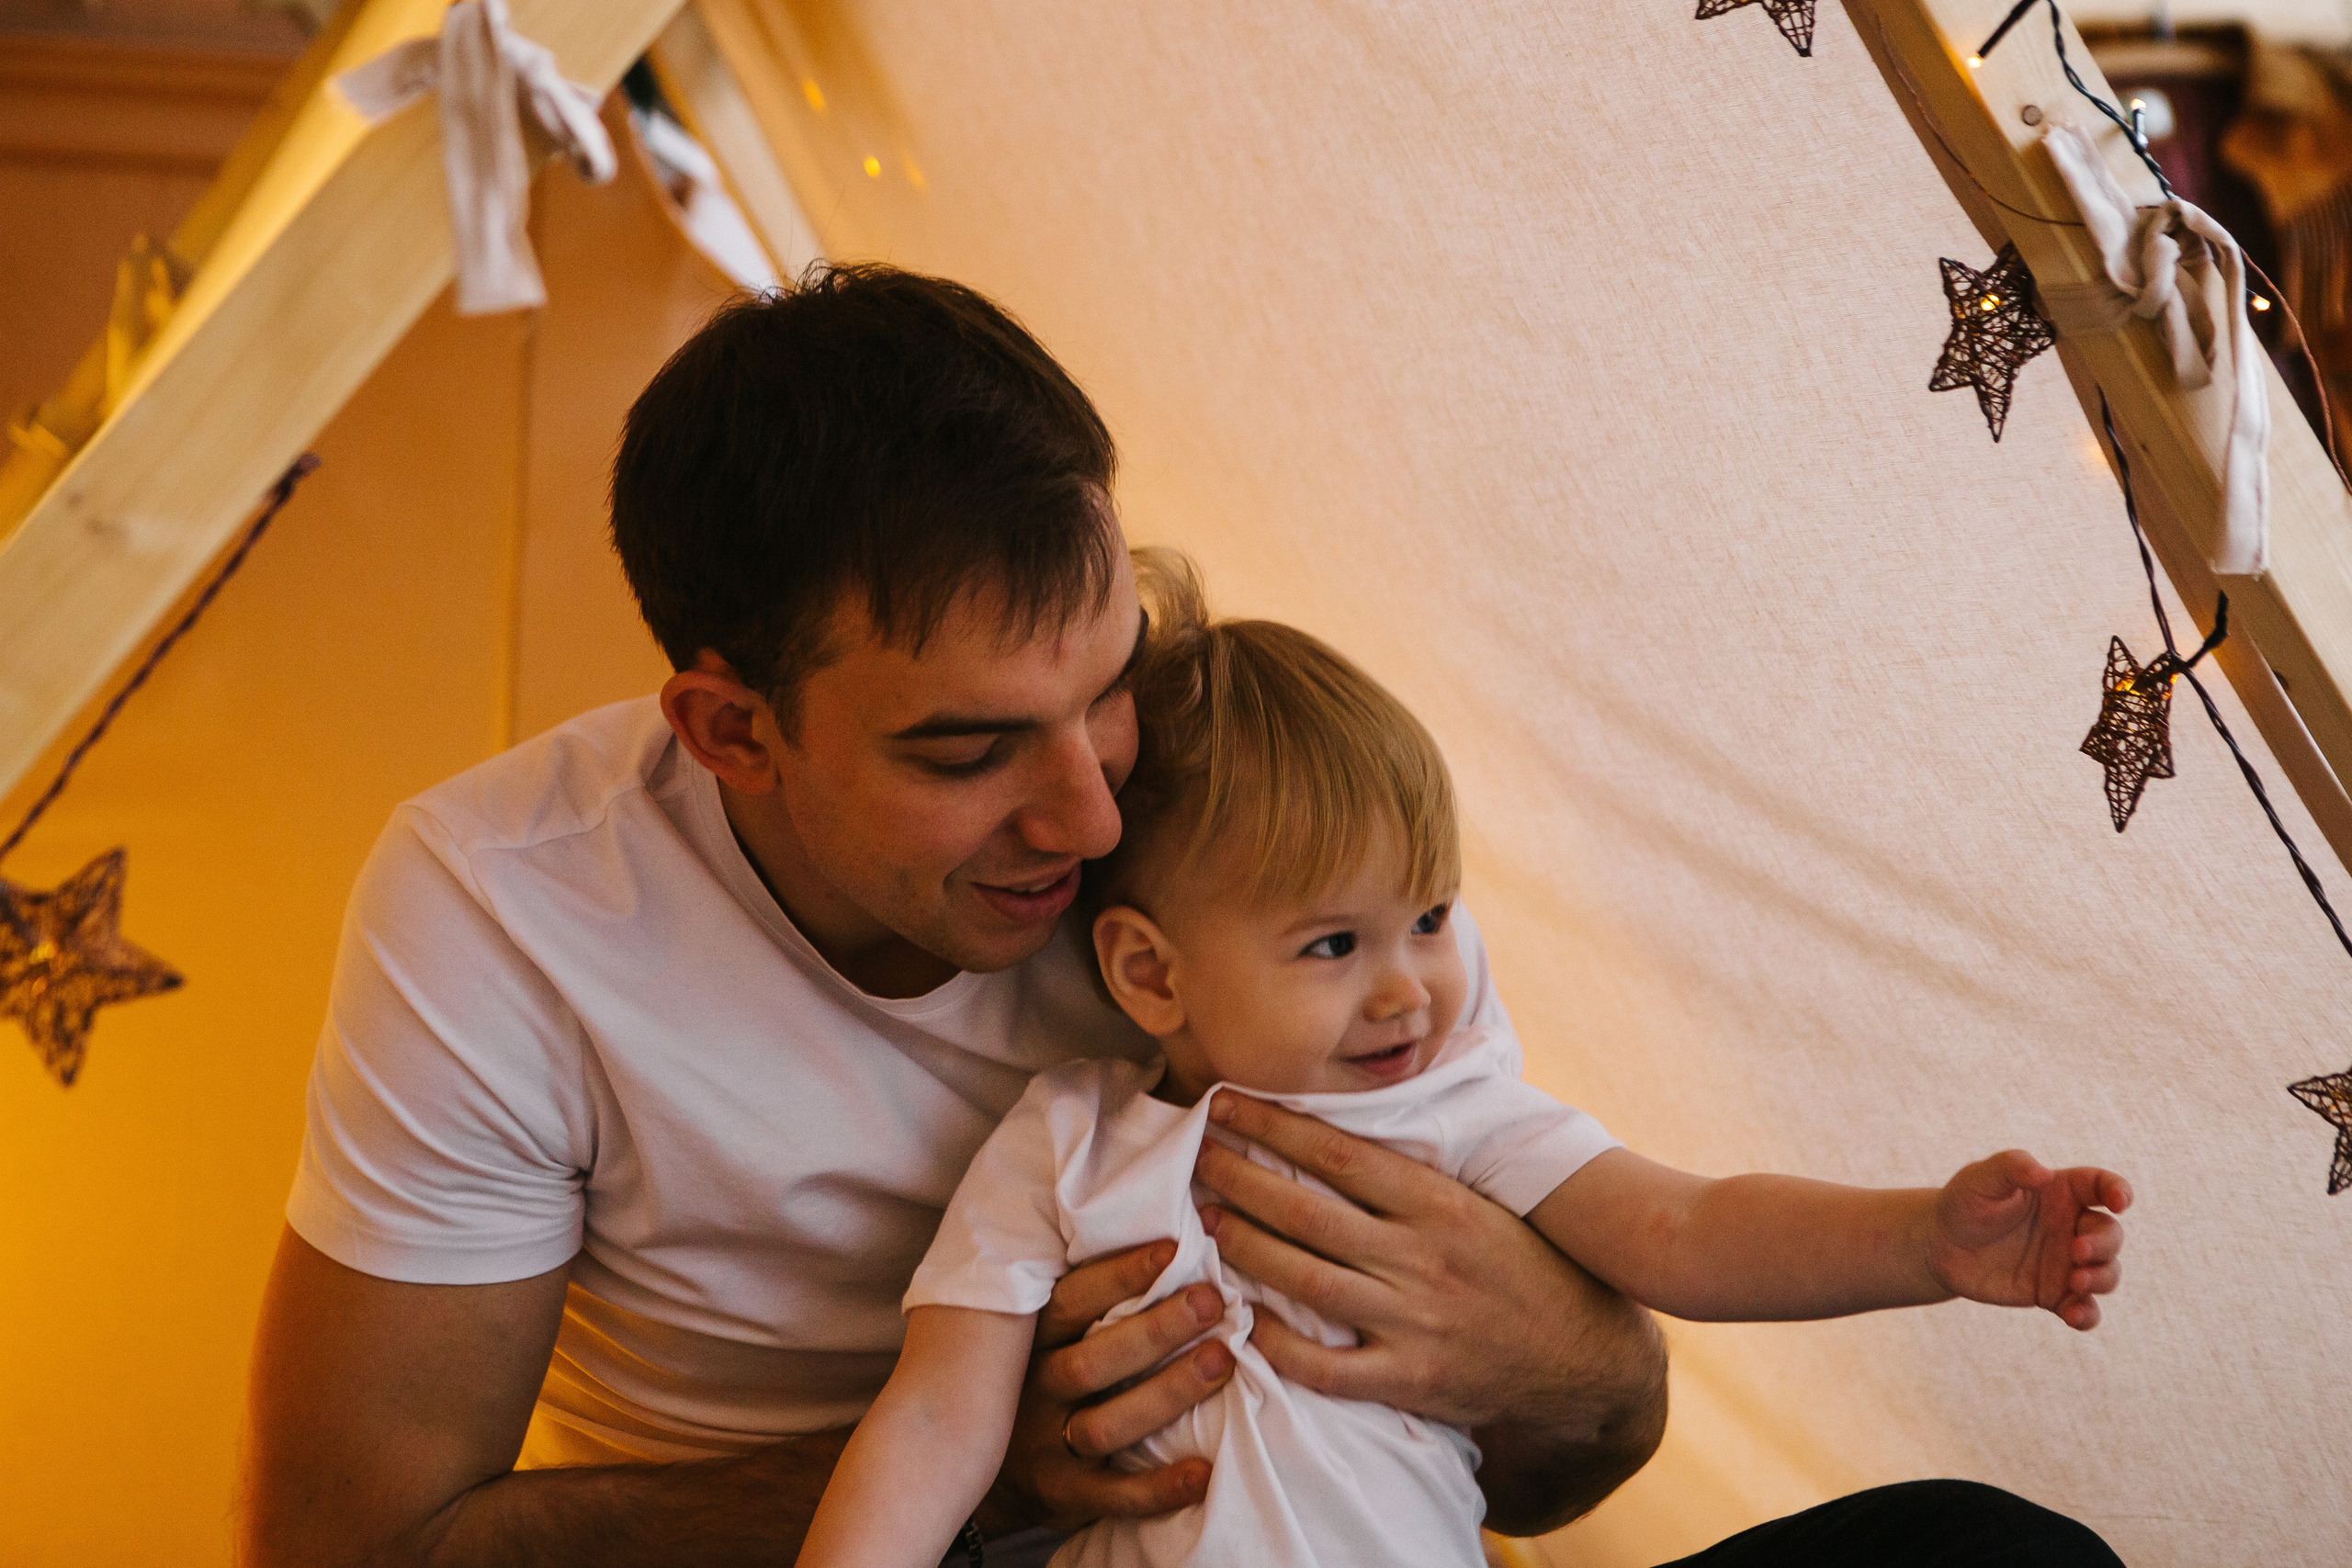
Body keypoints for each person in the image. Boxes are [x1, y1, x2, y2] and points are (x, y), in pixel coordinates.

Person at [238, 265, 2118, 1568]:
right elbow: (359, 1542)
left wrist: (1562, 1350)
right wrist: (1005, 1464)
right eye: (968, 747)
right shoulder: (505, 910)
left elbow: (1594, 1384)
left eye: (1106, 679)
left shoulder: (1247, 818)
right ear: (733, 728)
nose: (1088, 807)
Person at [796, 572, 2134, 1568]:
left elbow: (1687, 1228)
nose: (1408, 984)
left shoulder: (1449, 1110)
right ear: (1152, 975)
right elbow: (933, 1426)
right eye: (1333, 943)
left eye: (1430, 919)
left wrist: (1926, 1245)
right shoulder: (1066, 1142)